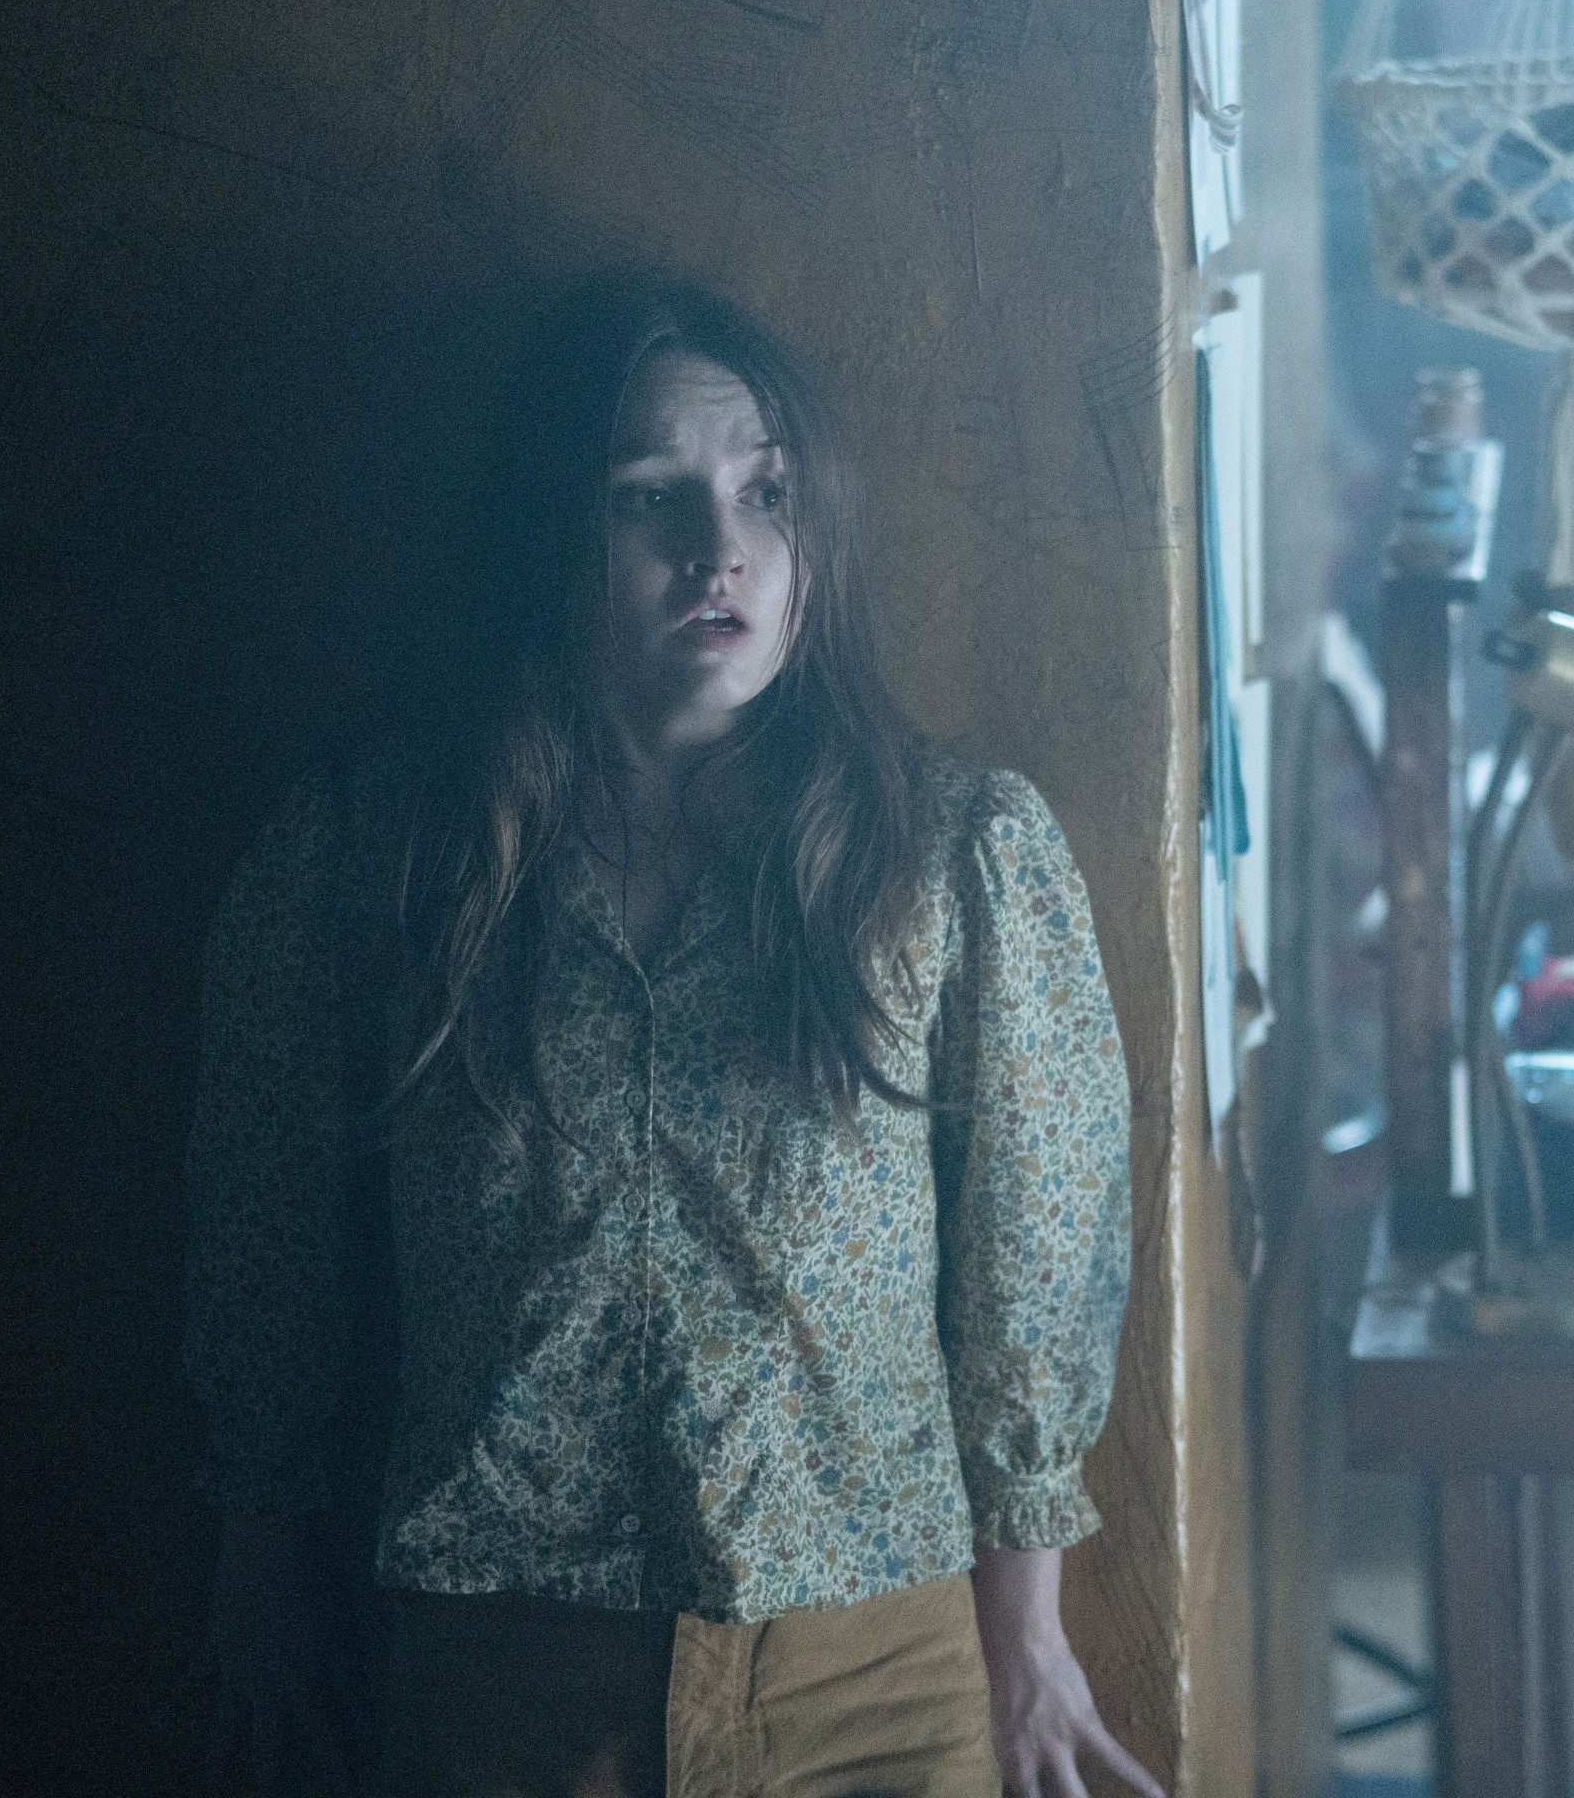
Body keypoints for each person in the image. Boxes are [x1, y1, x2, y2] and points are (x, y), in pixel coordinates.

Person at [185, 281, 1161, 1798]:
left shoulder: (950, 852)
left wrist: (1026, 1640)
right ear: (552, 535)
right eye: (652, 500)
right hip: (503, 1674)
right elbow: (264, 1230)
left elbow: (1039, 1252)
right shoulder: (380, 850)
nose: (722, 554)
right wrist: (262, 1563)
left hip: (873, 1680)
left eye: (768, 495)